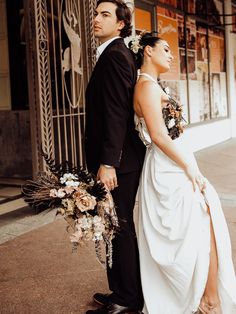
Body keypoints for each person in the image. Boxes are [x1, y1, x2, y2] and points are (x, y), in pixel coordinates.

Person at [131, 32, 236, 314]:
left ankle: (207, 295)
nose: (171, 54)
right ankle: (208, 299)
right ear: (148, 52)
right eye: (165, 49)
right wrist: (189, 167)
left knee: (203, 220)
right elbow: (158, 136)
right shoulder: (146, 87)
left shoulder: (152, 85)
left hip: (175, 160)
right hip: (168, 166)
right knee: (201, 220)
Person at [85, 1, 145, 313]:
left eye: (105, 14)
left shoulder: (116, 56)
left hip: (120, 163)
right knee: (112, 225)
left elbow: (116, 113)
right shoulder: (110, 54)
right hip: (115, 161)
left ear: (120, 24)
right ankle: (120, 291)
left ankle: (129, 298)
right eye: (95, 13)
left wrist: (108, 162)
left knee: (119, 226)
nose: (96, 19)